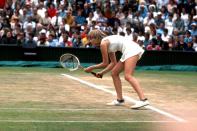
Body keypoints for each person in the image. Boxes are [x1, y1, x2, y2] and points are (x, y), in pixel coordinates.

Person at [84, 29, 149, 109]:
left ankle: (143, 100)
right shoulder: (107, 42)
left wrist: (91, 68)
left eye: (91, 38)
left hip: (132, 50)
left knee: (128, 76)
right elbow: (113, 63)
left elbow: (105, 63)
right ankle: (120, 99)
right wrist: (102, 73)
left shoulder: (103, 44)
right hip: (129, 51)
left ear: (96, 38)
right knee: (114, 73)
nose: (90, 41)